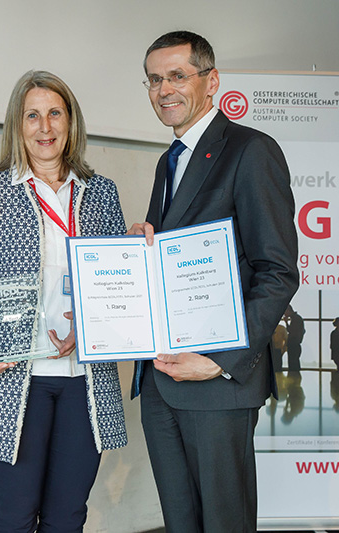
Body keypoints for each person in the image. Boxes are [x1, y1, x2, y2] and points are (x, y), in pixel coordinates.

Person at [128, 31, 298, 532]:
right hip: (161, 379)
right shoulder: (170, 160)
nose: (164, 89)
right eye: (155, 79)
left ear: (212, 80)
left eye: (177, 75)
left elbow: (277, 270)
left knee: (224, 524)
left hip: (215, 381)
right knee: (182, 524)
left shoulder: (251, 150)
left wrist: (220, 362)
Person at [0, 70, 127, 532]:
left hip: (85, 380)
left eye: (55, 113)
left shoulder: (101, 195)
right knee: (12, 516)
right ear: (18, 124)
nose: (44, 126)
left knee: (67, 517)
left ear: (71, 123)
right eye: (33, 115)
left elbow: (117, 289)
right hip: (15, 380)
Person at [284, 304, 305, 372]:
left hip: (293, 344)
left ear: (288, 310)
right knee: (294, 363)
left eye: (284, 312)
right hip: (295, 344)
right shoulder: (297, 318)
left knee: (293, 365)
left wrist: (286, 322)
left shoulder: (296, 319)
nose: (284, 314)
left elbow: (291, 331)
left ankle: (294, 379)